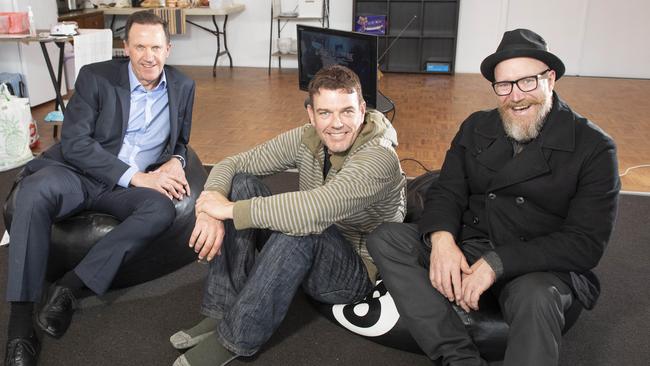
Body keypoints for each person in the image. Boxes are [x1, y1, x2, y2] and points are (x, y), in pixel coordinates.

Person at [367, 28, 620, 366]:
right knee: (386, 239)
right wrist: (442, 240)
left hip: (535, 264)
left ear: (551, 79)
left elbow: (585, 243)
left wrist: (496, 264)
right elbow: (448, 189)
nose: (516, 96)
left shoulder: (594, 148)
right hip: (473, 244)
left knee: (536, 298)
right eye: (504, 85)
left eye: (527, 81)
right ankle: (458, 357)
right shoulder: (476, 126)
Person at [170, 65, 406, 366]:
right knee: (242, 183)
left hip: (354, 272)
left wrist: (227, 210)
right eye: (325, 113)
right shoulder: (307, 137)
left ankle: (234, 338)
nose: (336, 124)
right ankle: (221, 309)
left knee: (302, 228)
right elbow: (233, 163)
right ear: (311, 114)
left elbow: (313, 211)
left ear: (362, 109)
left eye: (347, 111)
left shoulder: (379, 157)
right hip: (314, 239)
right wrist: (209, 207)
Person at [4, 11, 195, 366]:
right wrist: (137, 177)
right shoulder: (96, 77)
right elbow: (75, 143)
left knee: (161, 209)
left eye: (156, 47)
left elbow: (182, 141)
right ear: (127, 47)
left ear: (168, 49)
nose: (148, 55)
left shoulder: (183, 86)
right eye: (139, 46)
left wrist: (176, 162)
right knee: (32, 192)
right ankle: (18, 328)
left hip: (122, 189)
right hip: (76, 173)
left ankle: (69, 288)